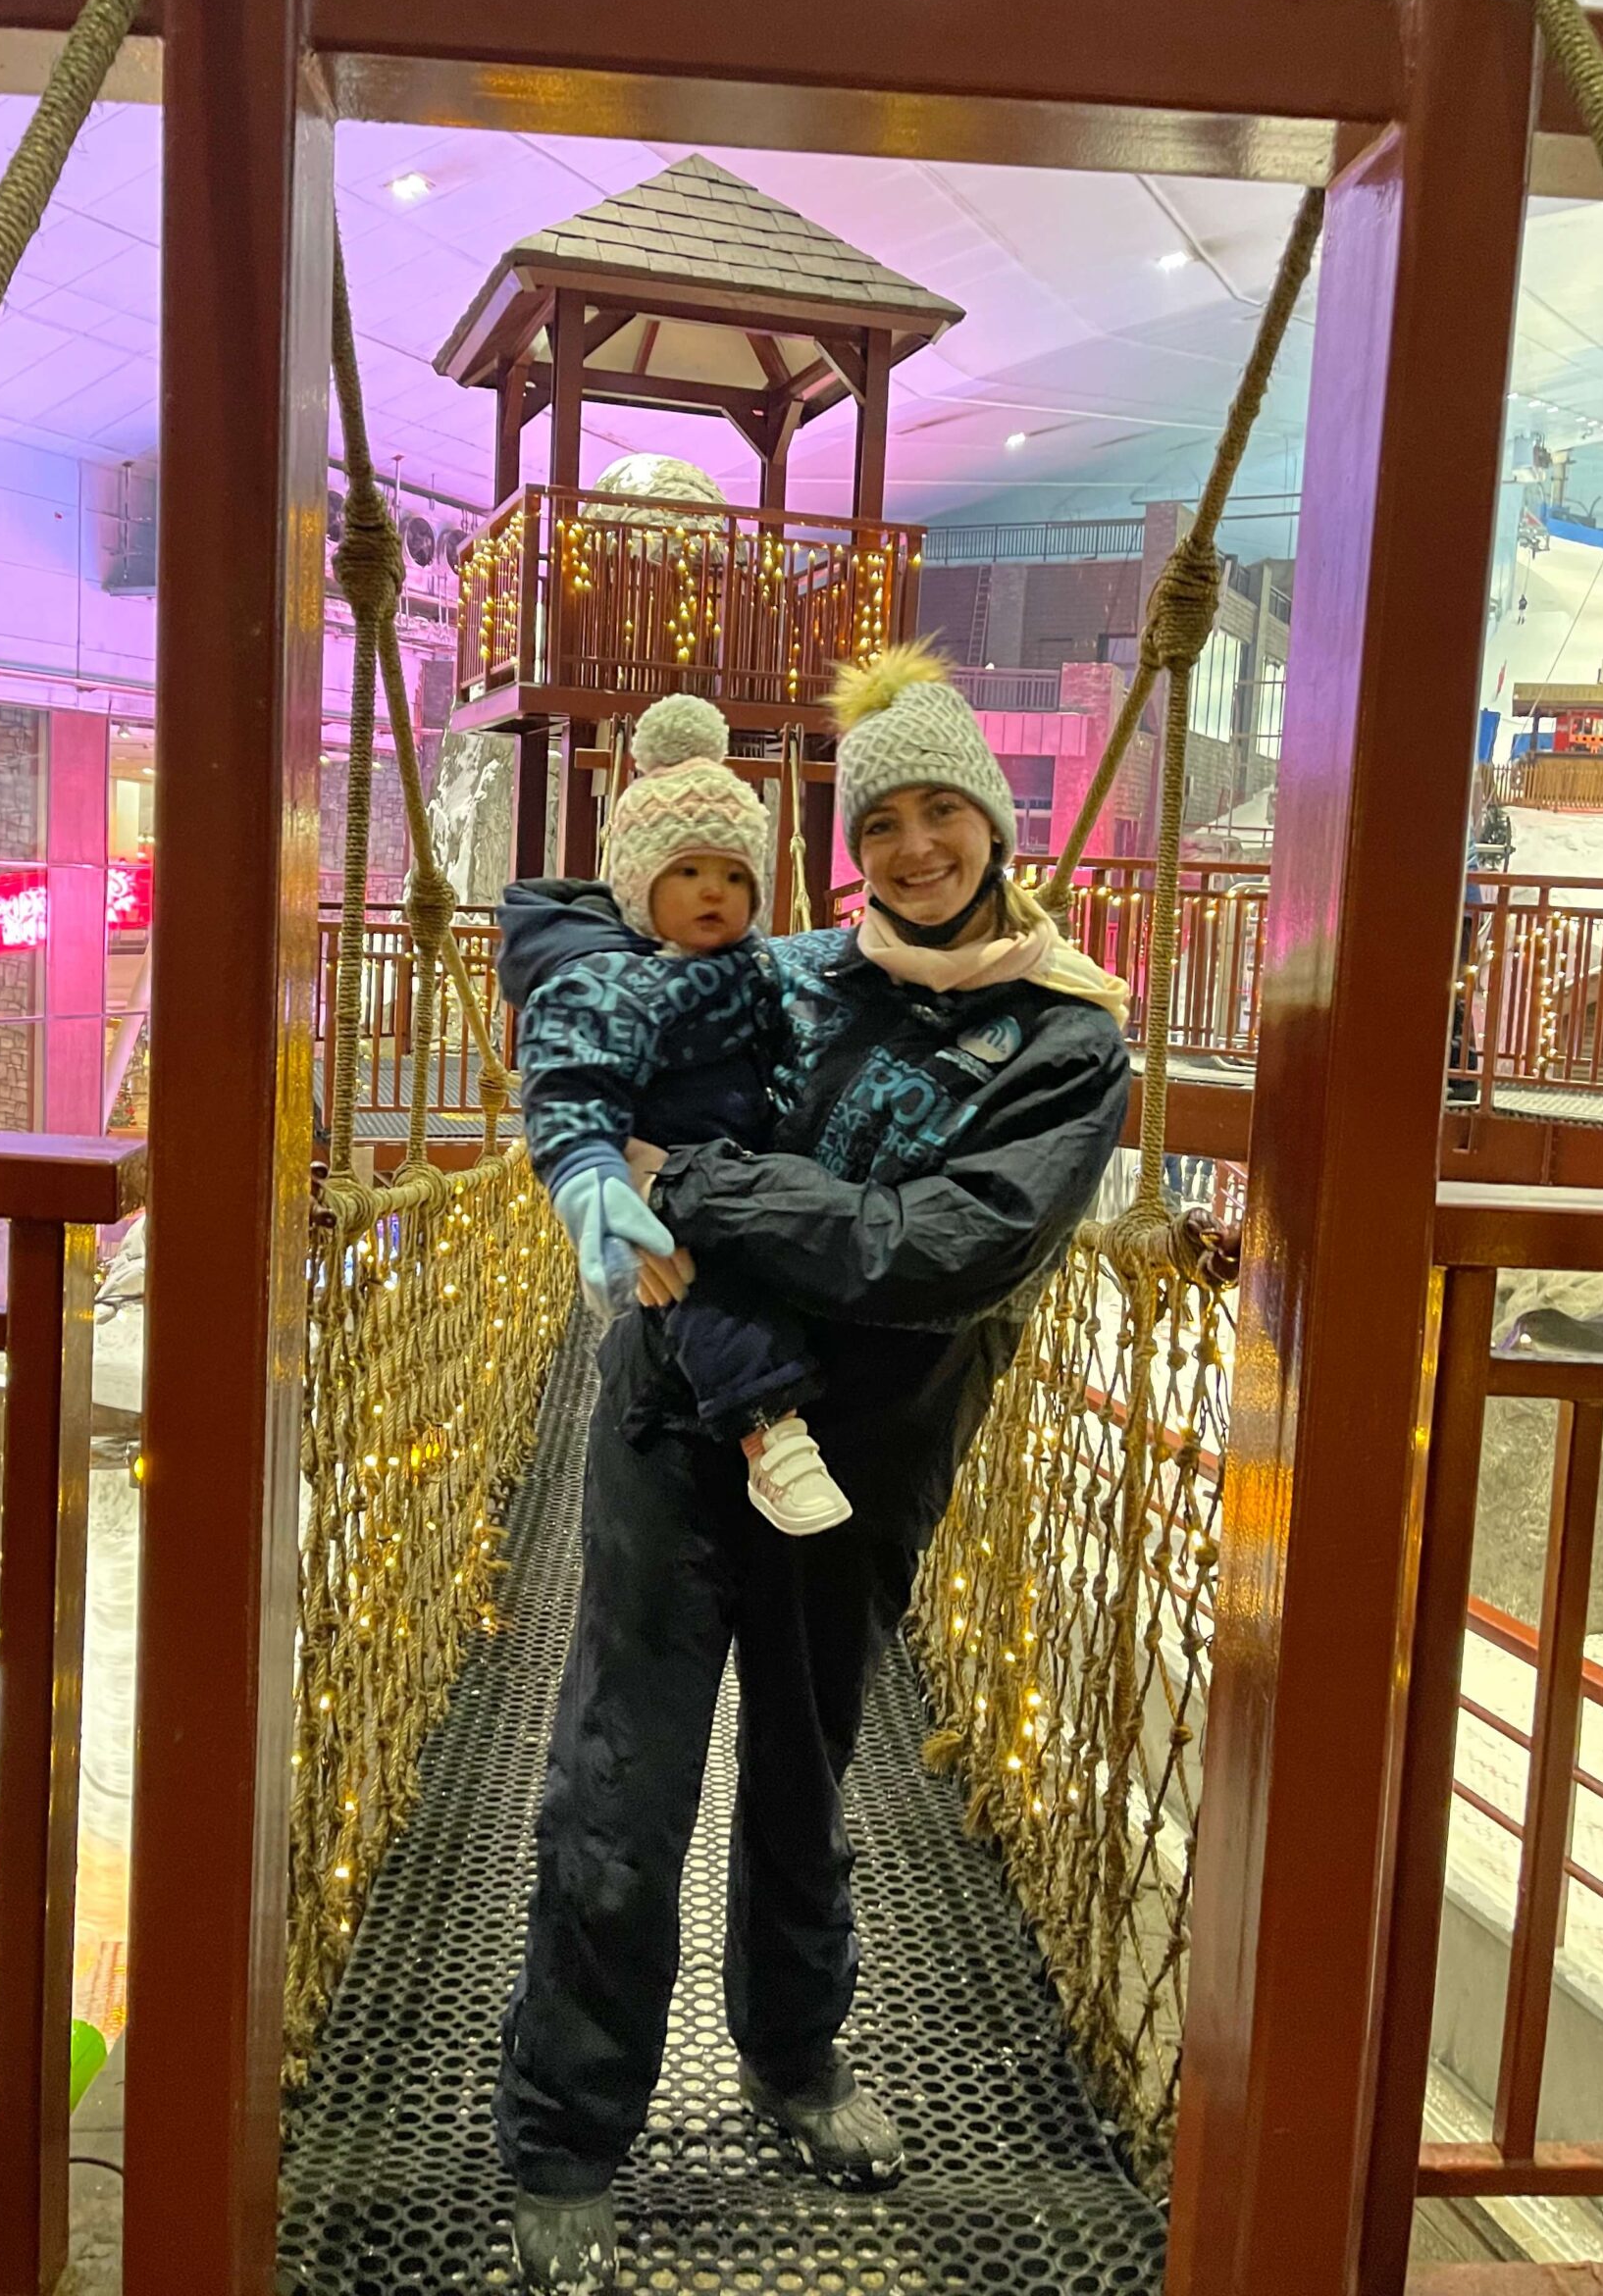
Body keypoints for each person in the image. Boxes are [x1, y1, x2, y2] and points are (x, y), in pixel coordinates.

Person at [497, 646, 1132, 2291]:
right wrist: (581, 1128)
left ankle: (794, 2055)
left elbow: (947, 1249)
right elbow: (603, 983)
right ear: (850, 847)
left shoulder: (1067, 1044)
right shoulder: (790, 970)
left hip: (865, 1463)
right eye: (887, 823)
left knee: (805, 1777)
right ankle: (568, 2131)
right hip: (678, 1421)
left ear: (996, 825)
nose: (918, 849)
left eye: (945, 815)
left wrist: (688, 1178)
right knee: (620, 1790)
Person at [502, 690, 849, 1535]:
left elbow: (817, 995)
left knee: (771, 1270)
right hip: (668, 1176)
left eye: (734, 875)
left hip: (742, 1162)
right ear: (637, 882)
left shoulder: (754, 966)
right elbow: (569, 1086)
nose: (713, 892)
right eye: (687, 871)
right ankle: (772, 1435)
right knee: (710, 1295)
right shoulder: (605, 981)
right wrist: (594, 1178)